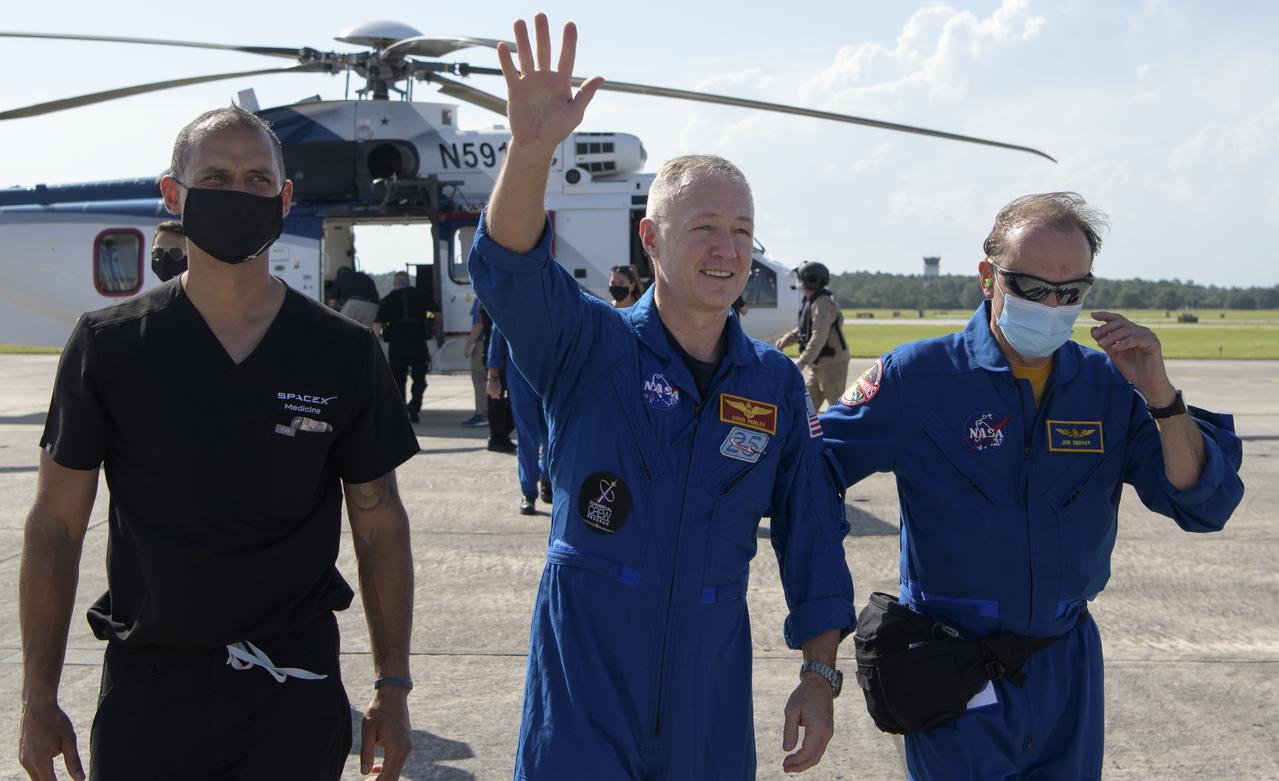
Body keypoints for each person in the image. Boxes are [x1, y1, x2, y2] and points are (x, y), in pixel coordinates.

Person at [469, 15, 854, 779]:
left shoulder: (771, 383)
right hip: (586, 679)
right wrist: (532, 149)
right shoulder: (587, 345)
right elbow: (509, 267)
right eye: (704, 226)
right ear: (650, 240)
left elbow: (810, 534)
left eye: (742, 230)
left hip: (706, 687)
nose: (727, 248)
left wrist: (818, 674)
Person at [17, 106, 420, 781]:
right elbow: (55, 527)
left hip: (292, 691)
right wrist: (38, 696)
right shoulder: (108, 345)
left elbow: (380, 524)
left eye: (258, 178)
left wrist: (393, 685)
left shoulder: (342, 352)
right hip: (150, 691)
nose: (238, 192)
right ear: (173, 195)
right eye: (216, 176)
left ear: (285, 198)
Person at [821, 192, 1245, 780]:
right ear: (988, 277)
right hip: (953, 664)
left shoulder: (1108, 388)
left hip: (1064, 665)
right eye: (1030, 286)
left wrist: (1161, 397)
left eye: (1069, 293)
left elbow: (1204, 502)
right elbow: (812, 470)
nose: (1050, 305)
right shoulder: (919, 377)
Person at [486, 324, 550, 514]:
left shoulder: (555, 297)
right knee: (527, 436)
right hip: (519, 377)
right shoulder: (511, 297)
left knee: (552, 435)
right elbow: (497, 335)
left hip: (550, 374)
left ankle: (548, 478)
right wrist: (492, 376)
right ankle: (528, 493)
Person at [775, 261, 848, 410]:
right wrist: (788, 339)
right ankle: (807, 434)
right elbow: (805, 329)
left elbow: (819, 335)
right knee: (807, 408)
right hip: (818, 363)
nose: (799, 283)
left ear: (811, 281)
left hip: (831, 364)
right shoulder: (811, 301)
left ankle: (844, 433)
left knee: (837, 407)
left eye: (802, 279)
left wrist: (802, 361)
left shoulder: (822, 303)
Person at [376, 271, 433, 423]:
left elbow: (377, 324)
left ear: (395, 283)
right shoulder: (421, 295)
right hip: (417, 340)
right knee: (419, 378)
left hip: (397, 342)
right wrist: (435, 329)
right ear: (408, 281)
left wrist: (374, 344)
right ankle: (414, 407)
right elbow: (437, 312)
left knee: (398, 379)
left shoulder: (387, 299)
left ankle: (401, 412)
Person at [459, 298, 489, 428]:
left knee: (479, 379)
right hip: (495, 342)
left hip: (482, 343)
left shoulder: (480, 297)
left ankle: (482, 414)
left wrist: (469, 344)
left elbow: (478, 324)